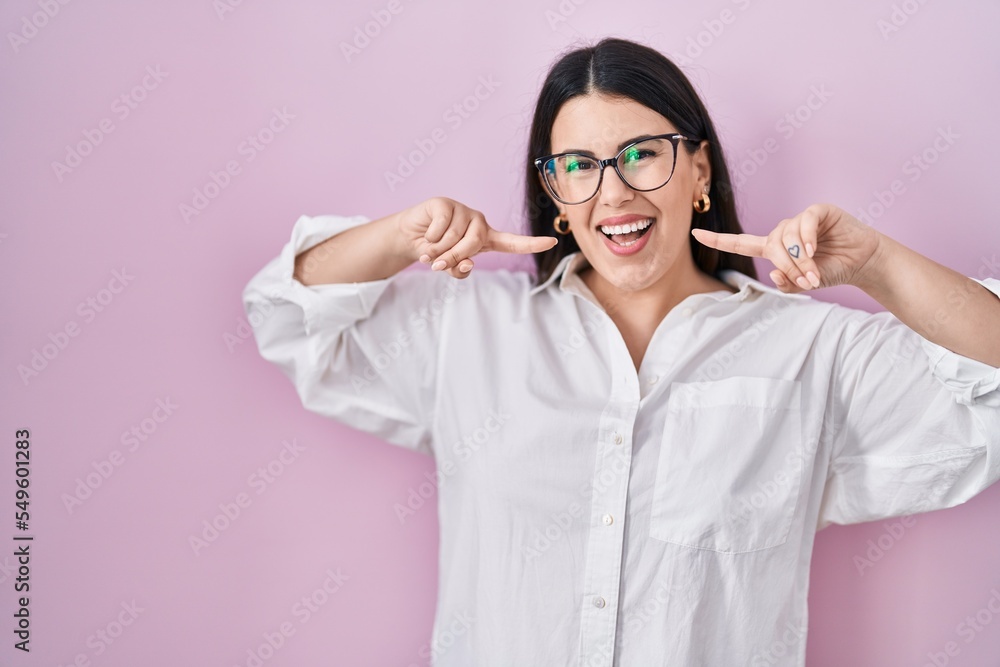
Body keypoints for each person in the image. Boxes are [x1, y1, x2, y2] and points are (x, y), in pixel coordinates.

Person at [241, 37, 1000, 666]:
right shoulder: (469, 330)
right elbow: (289, 310)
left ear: (699, 170)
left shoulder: (812, 352)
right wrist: (400, 237)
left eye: (642, 154)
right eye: (577, 166)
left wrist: (875, 262)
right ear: (555, 191)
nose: (612, 194)